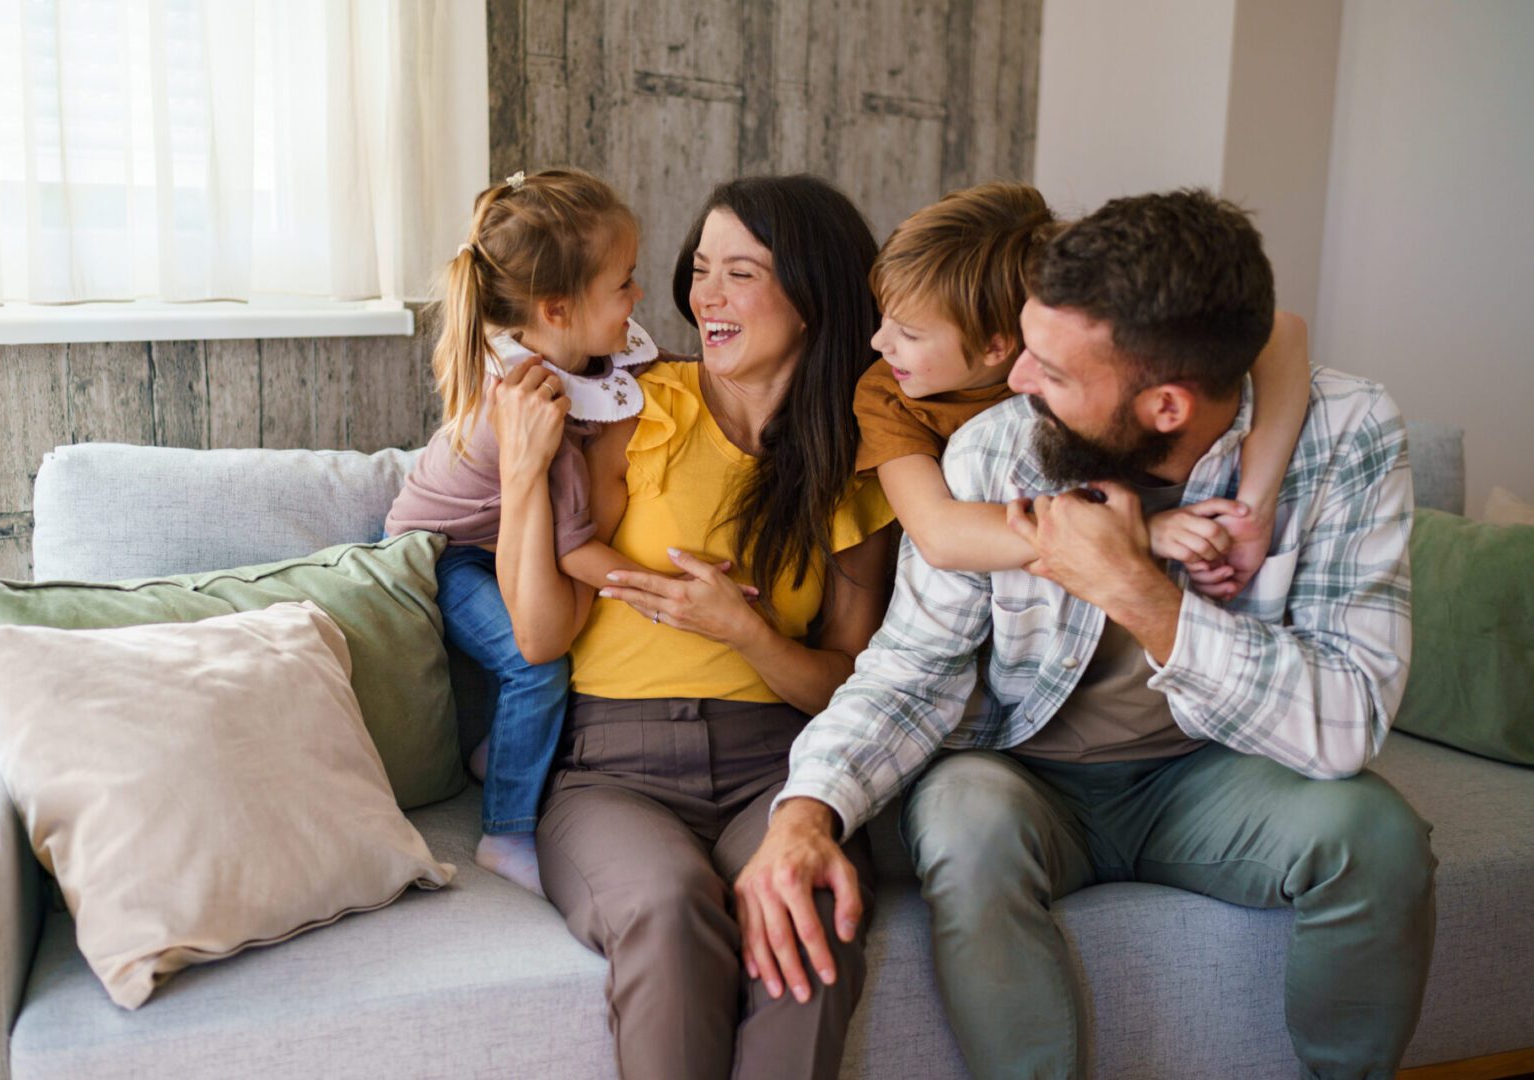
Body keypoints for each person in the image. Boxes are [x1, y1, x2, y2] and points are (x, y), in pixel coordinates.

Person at [739, 189, 1435, 1079]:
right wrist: (807, 811)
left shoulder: (1346, 434)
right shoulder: (994, 448)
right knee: (962, 816)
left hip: (1213, 773)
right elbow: (911, 668)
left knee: (1374, 834)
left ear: (1167, 406)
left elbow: (1346, 721)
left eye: (1052, 371)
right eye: (1023, 349)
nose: (1016, 382)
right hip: (1026, 777)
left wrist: (1144, 598)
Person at [490, 174, 896, 1080]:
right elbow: (540, 634)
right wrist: (522, 476)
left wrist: (745, 634)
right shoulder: (635, 410)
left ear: (811, 295)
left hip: (782, 769)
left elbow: (854, 683)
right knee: (670, 906)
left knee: (807, 903)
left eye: (740, 273)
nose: (704, 296)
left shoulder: (856, 467)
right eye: (699, 269)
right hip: (613, 773)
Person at [384, 167, 657, 896]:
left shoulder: (558, 362)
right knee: (536, 664)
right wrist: (662, 589)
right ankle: (505, 833)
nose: (637, 298)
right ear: (557, 309)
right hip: (438, 557)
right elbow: (573, 549)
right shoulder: (533, 413)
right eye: (624, 284)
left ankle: (499, 752)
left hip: (485, 535)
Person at [856, 179, 1310, 597]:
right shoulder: (889, 396)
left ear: (999, 344)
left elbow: (1280, 330)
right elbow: (939, 535)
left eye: (910, 334)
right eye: (882, 318)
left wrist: (1256, 504)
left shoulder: (1072, 333)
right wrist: (1144, 533)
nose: (878, 343)